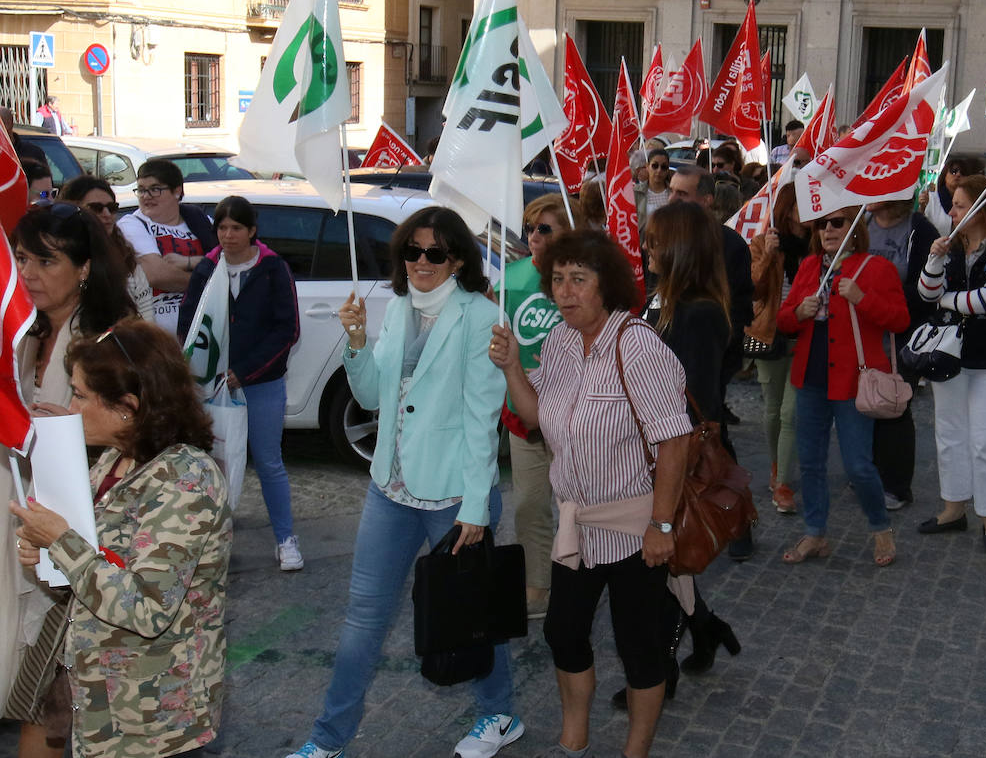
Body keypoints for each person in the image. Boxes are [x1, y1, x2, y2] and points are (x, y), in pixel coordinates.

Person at [289, 206, 518, 758]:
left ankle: (500, 714)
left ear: (457, 259)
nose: (421, 261)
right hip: (389, 489)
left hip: (453, 495)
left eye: (435, 253)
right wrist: (356, 343)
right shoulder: (394, 309)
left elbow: (481, 420)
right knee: (362, 619)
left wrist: (475, 509)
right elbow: (370, 397)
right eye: (412, 251)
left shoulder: (480, 318)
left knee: (469, 614)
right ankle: (327, 740)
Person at [489, 229, 690, 758]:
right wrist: (512, 366)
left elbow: (674, 439)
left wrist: (662, 525)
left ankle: (635, 751)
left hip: (634, 528)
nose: (565, 291)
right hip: (576, 527)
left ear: (608, 285)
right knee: (563, 632)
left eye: (579, 279)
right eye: (557, 279)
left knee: (640, 647)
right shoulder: (557, 342)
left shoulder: (637, 345)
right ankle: (574, 734)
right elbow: (536, 419)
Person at [10, 320, 231, 758]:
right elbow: (96, 567)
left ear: (128, 406)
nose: (69, 406)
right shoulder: (115, 459)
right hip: (105, 712)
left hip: (155, 725)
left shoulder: (186, 480)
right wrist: (45, 555)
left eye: (80, 395)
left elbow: (147, 608)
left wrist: (62, 544)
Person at [0, 202, 136, 758]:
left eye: (46, 261)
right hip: (23, 526)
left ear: (86, 267)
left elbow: (144, 436)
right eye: (22, 259)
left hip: (83, 546)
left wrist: (74, 431)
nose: (29, 274)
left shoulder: (112, 341)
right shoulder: (24, 332)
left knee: (53, 703)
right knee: (43, 696)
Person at [638, 202, 742, 682]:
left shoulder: (699, 312)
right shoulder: (662, 297)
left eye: (656, 240)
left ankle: (660, 670)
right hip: (646, 447)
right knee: (665, 564)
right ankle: (705, 627)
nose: (646, 247)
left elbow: (695, 402)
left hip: (671, 455)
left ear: (681, 248)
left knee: (658, 562)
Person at [776, 206, 907, 567]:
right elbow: (784, 319)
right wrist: (799, 313)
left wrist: (861, 298)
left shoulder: (876, 268)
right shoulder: (808, 266)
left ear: (855, 228)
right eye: (822, 225)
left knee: (858, 465)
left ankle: (881, 528)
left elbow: (899, 319)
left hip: (853, 380)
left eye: (837, 223)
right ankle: (815, 533)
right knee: (811, 463)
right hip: (811, 377)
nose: (828, 230)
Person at [180, 196, 303, 570]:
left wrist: (245, 372)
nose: (228, 235)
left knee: (268, 462)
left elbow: (287, 330)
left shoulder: (272, 268)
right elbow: (191, 325)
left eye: (236, 228)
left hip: (261, 383)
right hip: (213, 386)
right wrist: (198, 371)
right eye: (222, 228)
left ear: (252, 231)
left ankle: (285, 539)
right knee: (212, 463)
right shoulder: (207, 268)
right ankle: (210, 542)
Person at [917, 175, 986, 550]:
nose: (952, 211)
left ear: (981, 209)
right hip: (951, 357)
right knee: (949, 434)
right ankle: (953, 508)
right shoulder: (953, 249)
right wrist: (935, 257)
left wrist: (945, 301)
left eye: (960, 205)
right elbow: (926, 290)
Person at [499, 194, 583, 619]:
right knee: (529, 504)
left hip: (576, 421)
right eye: (530, 227)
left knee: (578, 509)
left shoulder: (585, 282)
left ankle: (580, 582)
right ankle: (538, 583)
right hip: (525, 417)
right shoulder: (509, 279)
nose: (534, 236)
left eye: (545, 228)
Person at [666, 166, 756, 556]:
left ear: (706, 200)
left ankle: (734, 522)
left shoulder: (730, 245)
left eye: (683, 194)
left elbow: (740, 310)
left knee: (711, 440)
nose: (673, 200)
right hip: (667, 358)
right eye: (671, 192)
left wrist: (720, 355)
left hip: (709, 360)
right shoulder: (662, 239)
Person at [865, 197, 939, 509]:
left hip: (902, 334)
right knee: (866, 401)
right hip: (865, 329)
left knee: (894, 405)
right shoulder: (861, 223)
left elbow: (927, 292)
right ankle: (867, 473)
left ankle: (896, 485)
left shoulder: (920, 229)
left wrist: (879, 293)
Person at [749, 184, 809, 514]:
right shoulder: (764, 242)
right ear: (788, 210)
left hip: (805, 335)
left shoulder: (817, 244)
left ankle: (783, 482)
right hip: (770, 333)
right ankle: (775, 465)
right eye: (805, 204)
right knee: (773, 410)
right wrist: (769, 254)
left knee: (790, 412)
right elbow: (754, 290)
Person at [117, 159, 217, 336]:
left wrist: (191, 261)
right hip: (155, 338)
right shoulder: (132, 224)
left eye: (155, 189)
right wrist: (213, 286)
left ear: (177, 191)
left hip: (203, 334)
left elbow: (231, 264)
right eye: (141, 189)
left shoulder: (202, 222)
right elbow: (158, 276)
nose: (146, 196)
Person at [59, 175, 154, 318]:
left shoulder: (127, 259)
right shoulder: (58, 260)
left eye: (112, 207)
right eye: (96, 208)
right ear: (72, 210)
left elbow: (147, 317)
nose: (107, 214)